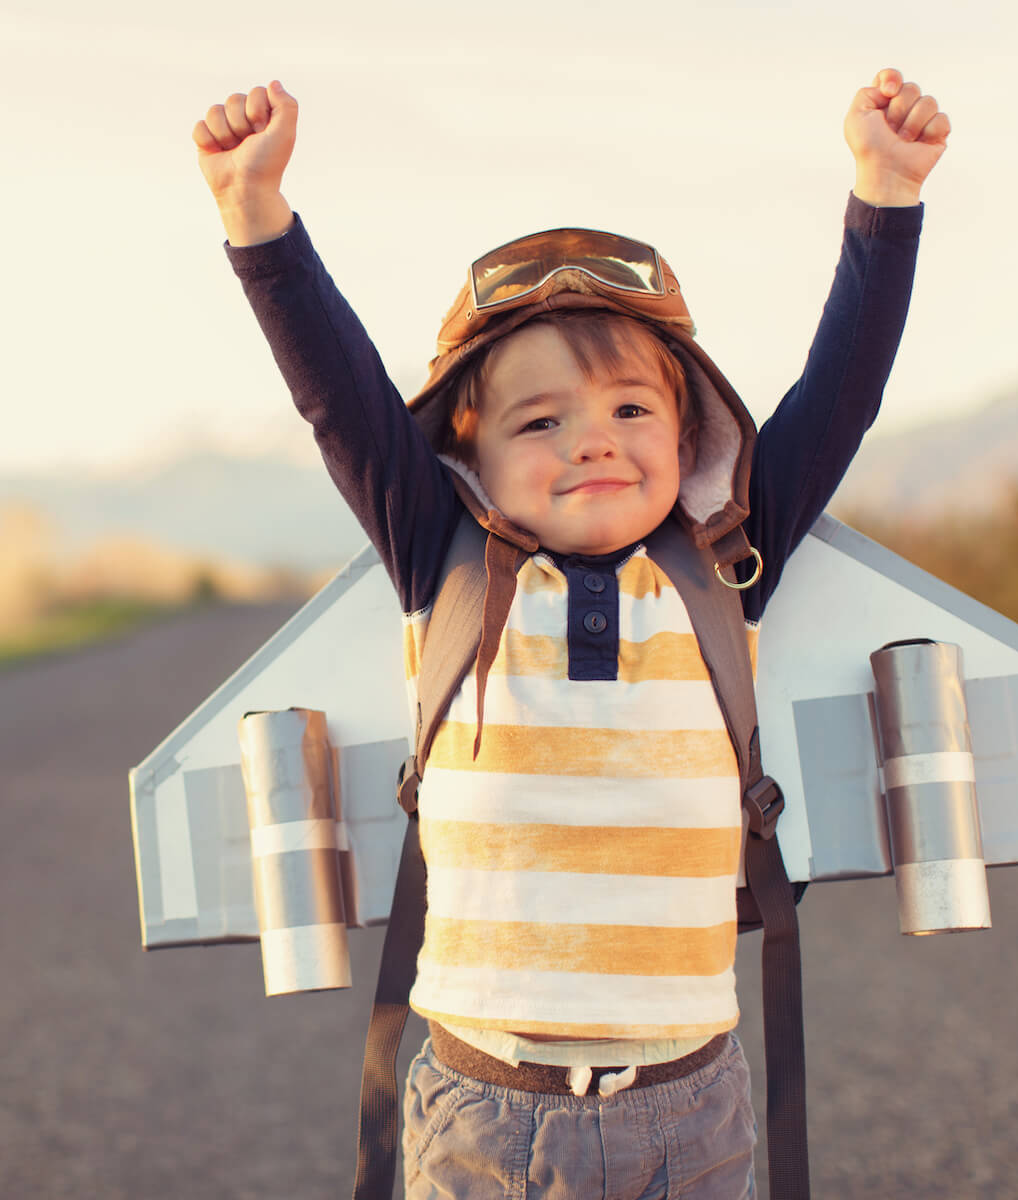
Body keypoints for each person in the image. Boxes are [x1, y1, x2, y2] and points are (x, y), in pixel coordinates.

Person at [192, 69, 949, 1200]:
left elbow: (842, 394)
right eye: (540, 420)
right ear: (470, 459)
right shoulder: (442, 561)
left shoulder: (720, 566)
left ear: (687, 433)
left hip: (694, 1099)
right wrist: (256, 215)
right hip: (489, 1107)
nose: (594, 442)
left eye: (631, 410)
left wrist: (884, 195)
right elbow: (336, 399)